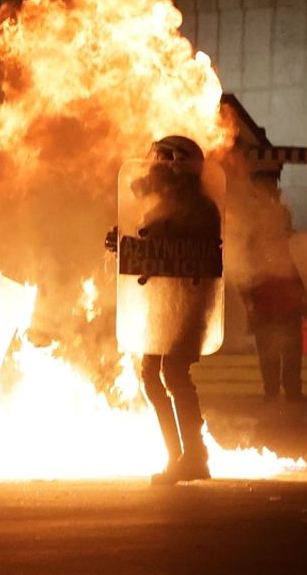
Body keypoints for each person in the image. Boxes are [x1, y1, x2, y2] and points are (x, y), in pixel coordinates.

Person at [112, 136, 221, 485]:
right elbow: (153, 249)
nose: (153, 166)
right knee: (150, 375)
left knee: (173, 373)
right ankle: (177, 455)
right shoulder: (165, 203)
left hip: (187, 303)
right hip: (162, 303)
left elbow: (180, 251)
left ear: (177, 164)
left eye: (160, 159)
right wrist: (125, 245)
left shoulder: (198, 208)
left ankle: (195, 456)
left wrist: (145, 241)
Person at [239, 177, 304, 407]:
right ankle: (280, 393)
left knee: (285, 353)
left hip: (282, 304)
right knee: (275, 353)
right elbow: (247, 273)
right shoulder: (259, 242)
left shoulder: (291, 242)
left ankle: (284, 393)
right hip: (271, 305)